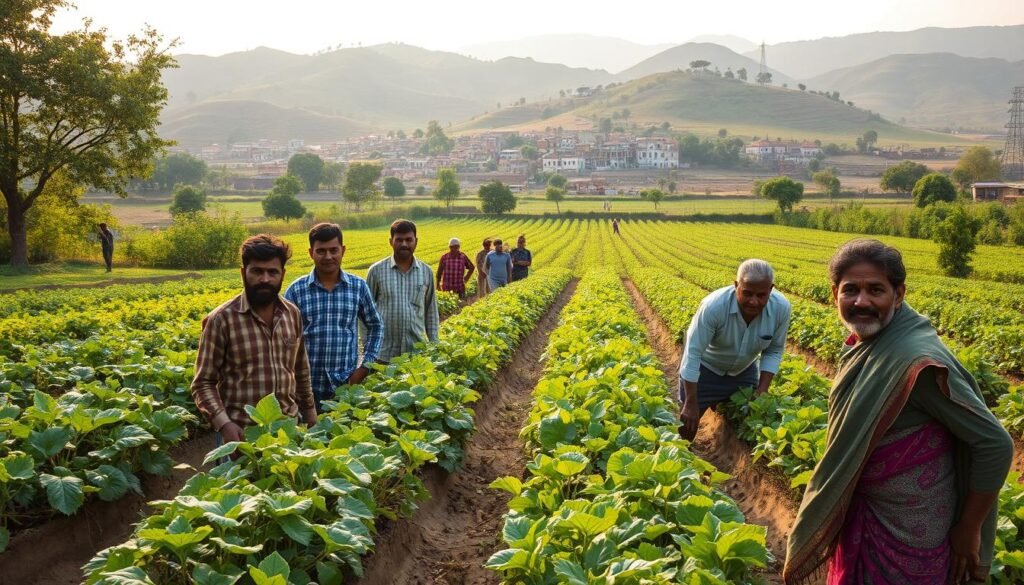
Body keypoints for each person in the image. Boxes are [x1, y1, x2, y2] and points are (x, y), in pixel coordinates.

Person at [784, 239, 1012, 585]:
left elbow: (995, 444)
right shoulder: (872, 345)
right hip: (869, 519)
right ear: (835, 295)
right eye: (851, 290)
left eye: (876, 289)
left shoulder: (913, 364)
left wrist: (969, 529)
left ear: (899, 293)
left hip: (911, 538)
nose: (862, 302)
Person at [191, 234, 316, 449]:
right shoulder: (221, 320)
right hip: (240, 436)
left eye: (272, 272)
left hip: (287, 433)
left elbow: (300, 370)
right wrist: (225, 424)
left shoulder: (292, 314)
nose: (265, 279)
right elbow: (203, 384)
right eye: (257, 271)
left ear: (282, 274)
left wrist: (311, 414)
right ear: (243, 273)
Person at [677, 259, 791, 441]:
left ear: (771, 289)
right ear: (736, 285)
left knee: (749, 421)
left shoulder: (781, 309)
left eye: (761, 295)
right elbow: (693, 352)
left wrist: (762, 390)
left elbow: (774, 350)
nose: (753, 301)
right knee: (687, 426)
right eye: (747, 293)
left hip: (743, 371)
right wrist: (691, 401)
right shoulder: (714, 306)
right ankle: (683, 457)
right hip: (706, 369)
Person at [284, 223, 383, 413]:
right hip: (303, 389)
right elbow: (283, 337)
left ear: (343, 251)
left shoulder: (358, 287)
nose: (328, 257)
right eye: (321, 251)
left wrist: (365, 367)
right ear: (311, 252)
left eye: (333, 250)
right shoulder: (296, 290)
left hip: (344, 386)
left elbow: (376, 325)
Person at [366, 219, 439, 363]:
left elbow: (431, 311)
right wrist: (368, 347)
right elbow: (365, 313)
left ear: (415, 241)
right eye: (399, 240)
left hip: (416, 354)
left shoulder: (426, 272)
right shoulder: (376, 271)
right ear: (391, 241)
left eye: (408, 240)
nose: (404, 244)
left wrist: (434, 345)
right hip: (382, 355)